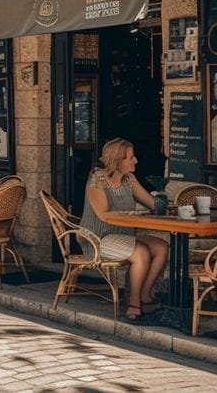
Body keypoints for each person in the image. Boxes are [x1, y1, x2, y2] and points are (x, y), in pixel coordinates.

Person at [82, 137, 169, 321]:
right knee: (141, 252)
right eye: (131, 157)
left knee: (161, 247)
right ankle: (133, 303)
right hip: (98, 238)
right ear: (117, 160)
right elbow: (103, 214)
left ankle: (145, 295)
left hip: (123, 235)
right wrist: (133, 214)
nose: (135, 160)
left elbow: (152, 204)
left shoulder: (129, 179)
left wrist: (164, 202)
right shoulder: (97, 180)